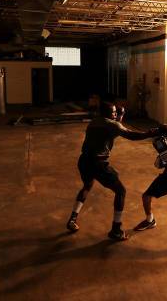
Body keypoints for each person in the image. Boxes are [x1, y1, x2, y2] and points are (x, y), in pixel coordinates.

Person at [67, 102, 156, 241]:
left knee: (87, 186)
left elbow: (111, 131)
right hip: (98, 164)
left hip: (84, 161)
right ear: (108, 114)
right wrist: (152, 132)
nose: (115, 114)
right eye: (114, 112)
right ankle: (116, 229)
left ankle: (72, 219)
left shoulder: (94, 122)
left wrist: (119, 118)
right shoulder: (113, 125)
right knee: (121, 191)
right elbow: (131, 135)